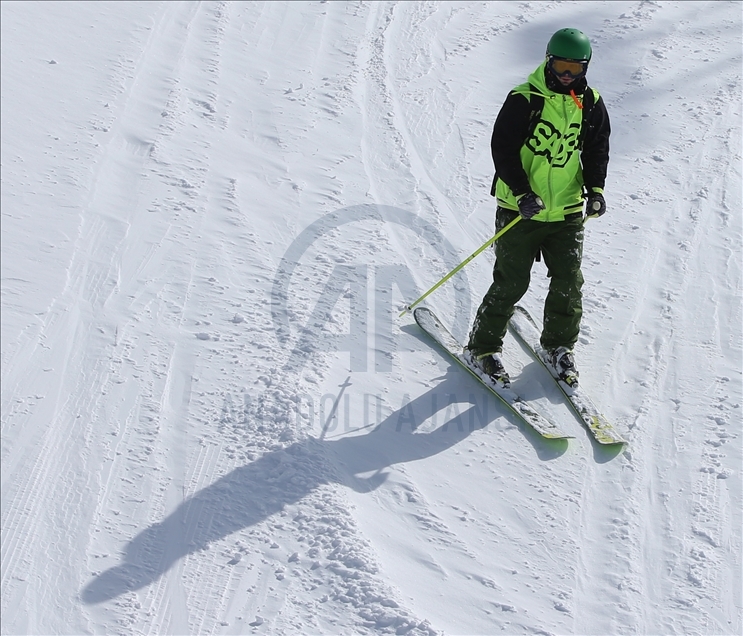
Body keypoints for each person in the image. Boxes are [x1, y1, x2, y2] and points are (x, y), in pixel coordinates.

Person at [465, 28, 611, 390]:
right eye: (560, 66)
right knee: (512, 282)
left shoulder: (591, 102)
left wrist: (595, 190)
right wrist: (521, 192)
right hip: (520, 211)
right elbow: (503, 148)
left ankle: (559, 346)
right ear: (548, 61)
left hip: (565, 211)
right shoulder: (524, 99)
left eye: (573, 68)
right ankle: (482, 348)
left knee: (568, 282)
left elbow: (596, 149)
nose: (566, 75)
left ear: (584, 68)